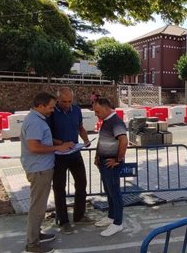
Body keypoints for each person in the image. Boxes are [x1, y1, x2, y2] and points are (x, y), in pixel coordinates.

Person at [20, 92, 74, 253]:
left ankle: (36, 234)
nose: (52, 110)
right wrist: (59, 148)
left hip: (41, 168)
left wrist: (61, 143)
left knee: (39, 205)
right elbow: (34, 147)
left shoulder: (36, 119)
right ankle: (32, 244)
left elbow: (44, 140)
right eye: (50, 107)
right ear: (40, 106)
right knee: (38, 206)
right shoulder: (35, 122)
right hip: (39, 169)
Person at [48, 87, 92, 235]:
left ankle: (79, 215)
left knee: (82, 183)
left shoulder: (77, 110)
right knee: (59, 188)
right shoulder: (52, 113)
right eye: (63, 101)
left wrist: (85, 139)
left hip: (75, 153)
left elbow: (80, 127)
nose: (67, 104)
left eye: (69, 101)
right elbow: (46, 135)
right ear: (57, 99)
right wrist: (61, 144)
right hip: (58, 155)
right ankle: (63, 220)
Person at [92, 97, 128, 237]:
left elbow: (124, 141)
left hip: (111, 163)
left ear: (107, 109)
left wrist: (118, 160)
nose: (96, 114)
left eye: (98, 111)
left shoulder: (115, 121)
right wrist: (97, 156)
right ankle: (111, 216)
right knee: (109, 192)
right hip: (104, 162)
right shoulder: (106, 121)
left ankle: (118, 223)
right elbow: (102, 141)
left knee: (115, 193)